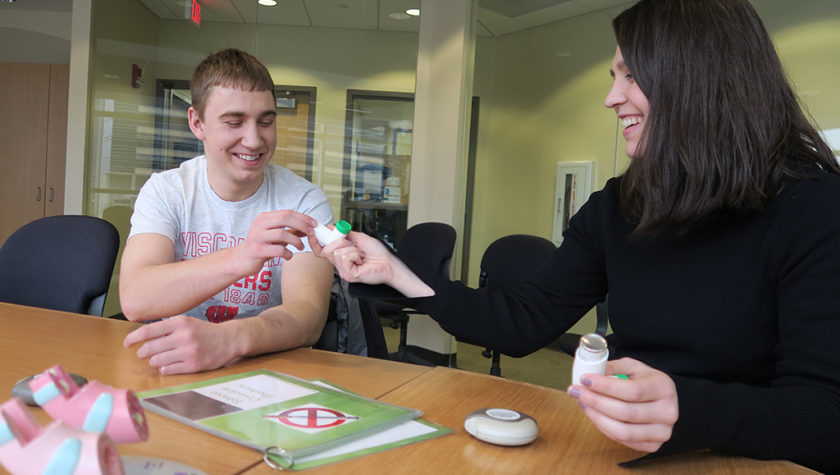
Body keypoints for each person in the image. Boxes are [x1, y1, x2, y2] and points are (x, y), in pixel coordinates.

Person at [317, 0, 840, 472]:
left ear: (698, 79)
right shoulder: (618, 206)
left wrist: (691, 407)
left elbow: (824, 413)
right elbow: (524, 321)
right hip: (634, 454)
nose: (612, 98)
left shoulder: (816, 208)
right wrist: (397, 273)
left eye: (630, 76)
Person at [120, 49, 335, 375]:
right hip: (174, 363)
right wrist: (241, 258)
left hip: (266, 369)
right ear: (197, 123)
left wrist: (229, 339)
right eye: (234, 122)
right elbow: (136, 298)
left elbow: (308, 315)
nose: (254, 140)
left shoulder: (304, 200)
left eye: (266, 121)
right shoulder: (166, 191)